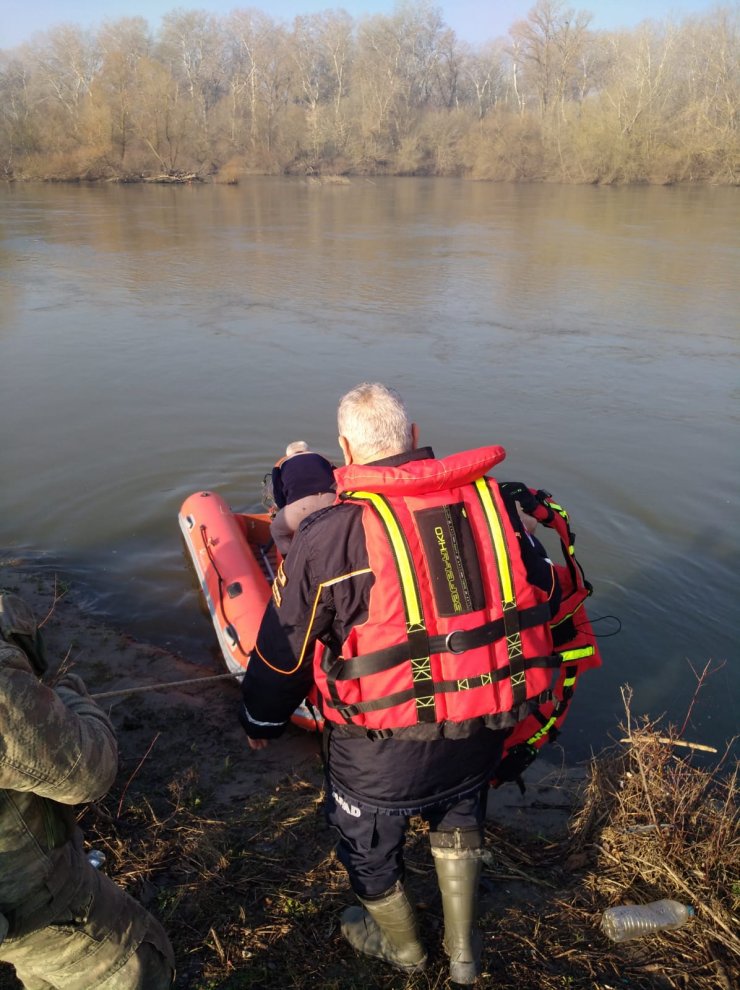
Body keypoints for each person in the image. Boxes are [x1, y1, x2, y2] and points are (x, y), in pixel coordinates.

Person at [239, 383, 561, 984]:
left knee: (368, 843)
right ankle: (462, 955)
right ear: (414, 438)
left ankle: (405, 951)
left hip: (380, 749)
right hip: (481, 724)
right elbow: (543, 590)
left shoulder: (330, 533)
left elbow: (285, 652)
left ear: (345, 453)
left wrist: (261, 719)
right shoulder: (495, 508)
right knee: (461, 814)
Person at [0, 591, 175, 989]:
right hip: (40, 908)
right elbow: (89, 772)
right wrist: (67, 693)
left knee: (37, 971)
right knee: (136, 964)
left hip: (16, 927)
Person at [268, 440, 336, 556]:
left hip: (302, 507)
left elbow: (280, 500)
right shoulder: (323, 459)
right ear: (307, 450)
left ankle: (292, 561)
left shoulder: (281, 465)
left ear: (288, 454)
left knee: (277, 530)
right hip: (332, 502)